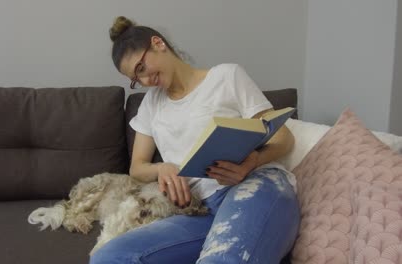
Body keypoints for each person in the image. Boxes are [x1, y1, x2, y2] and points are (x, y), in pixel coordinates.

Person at [90, 16, 300, 264]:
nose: (145, 81)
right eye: (137, 79)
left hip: (254, 185)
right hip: (200, 209)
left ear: (157, 43)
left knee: (223, 258)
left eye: (141, 68)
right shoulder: (151, 105)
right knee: (108, 257)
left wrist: (251, 161)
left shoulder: (226, 76)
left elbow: (285, 137)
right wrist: (162, 168)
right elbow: (137, 168)